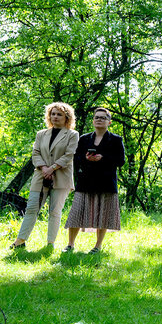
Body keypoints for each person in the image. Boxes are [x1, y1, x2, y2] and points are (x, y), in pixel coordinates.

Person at [11, 102, 79, 251]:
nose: (55, 117)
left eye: (59, 114)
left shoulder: (72, 135)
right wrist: (44, 169)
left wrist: (52, 168)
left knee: (55, 211)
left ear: (66, 117)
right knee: (32, 208)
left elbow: (69, 155)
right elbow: (35, 153)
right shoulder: (41, 134)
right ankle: (20, 241)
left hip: (61, 177)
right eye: (52, 114)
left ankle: (50, 244)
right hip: (40, 176)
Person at [63, 107, 126, 254]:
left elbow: (120, 161)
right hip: (85, 182)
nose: (99, 119)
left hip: (106, 182)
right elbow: (76, 159)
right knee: (76, 212)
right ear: (93, 121)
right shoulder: (84, 138)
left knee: (103, 214)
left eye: (103, 118)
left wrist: (103, 158)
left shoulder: (116, 140)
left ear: (109, 122)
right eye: (96, 117)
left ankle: (97, 246)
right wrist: (86, 159)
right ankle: (70, 245)